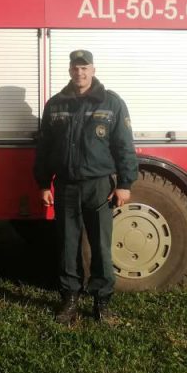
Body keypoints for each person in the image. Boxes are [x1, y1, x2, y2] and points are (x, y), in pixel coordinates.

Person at [34, 50, 138, 324]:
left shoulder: (111, 102)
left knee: (101, 246)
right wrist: (44, 183)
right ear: (69, 70)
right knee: (68, 246)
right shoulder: (56, 105)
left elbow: (124, 145)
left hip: (98, 186)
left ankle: (102, 303)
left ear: (92, 69)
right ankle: (69, 300)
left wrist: (125, 184)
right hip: (66, 186)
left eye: (84, 68)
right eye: (75, 68)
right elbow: (44, 147)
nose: (79, 73)